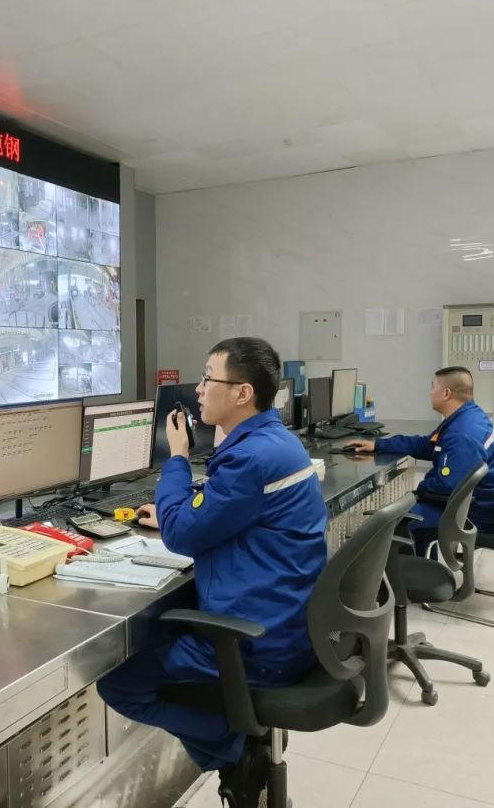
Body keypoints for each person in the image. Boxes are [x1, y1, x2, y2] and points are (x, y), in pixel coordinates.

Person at [96, 337, 327, 808]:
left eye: (207, 378)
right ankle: (239, 752)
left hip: (257, 644)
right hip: (287, 626)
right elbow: (226, 509)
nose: (199, 389)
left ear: (242, 393)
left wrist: (177, 458)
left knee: (119, 685)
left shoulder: (251, 457)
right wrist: (184, 511)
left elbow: (183, 535)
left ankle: (234, 748)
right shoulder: (276, 442)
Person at [345, 366, 494, 555]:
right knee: (409, 508)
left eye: (433, 387)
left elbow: (447, 485)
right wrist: (378, 444)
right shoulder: (468, 417)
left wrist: (416, 493)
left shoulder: (461, 433)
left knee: (394, 521)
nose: (430, 392)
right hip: (474, 505)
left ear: (446, 393)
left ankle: (413, 572)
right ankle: (423, 566)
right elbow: (426, 445)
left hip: (473, 514)